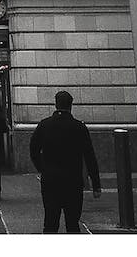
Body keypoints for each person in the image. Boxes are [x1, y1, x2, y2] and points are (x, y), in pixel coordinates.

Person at [29, 90, 101, 234]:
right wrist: (96, 185)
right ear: (71, 105)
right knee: (73, 224)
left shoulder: (44, 125)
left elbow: (33, 150)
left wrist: (42, 168)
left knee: (50, 223)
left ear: (55, 104)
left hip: (50, 180)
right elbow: (89, 156)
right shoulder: (79, 127)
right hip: (73, 180)